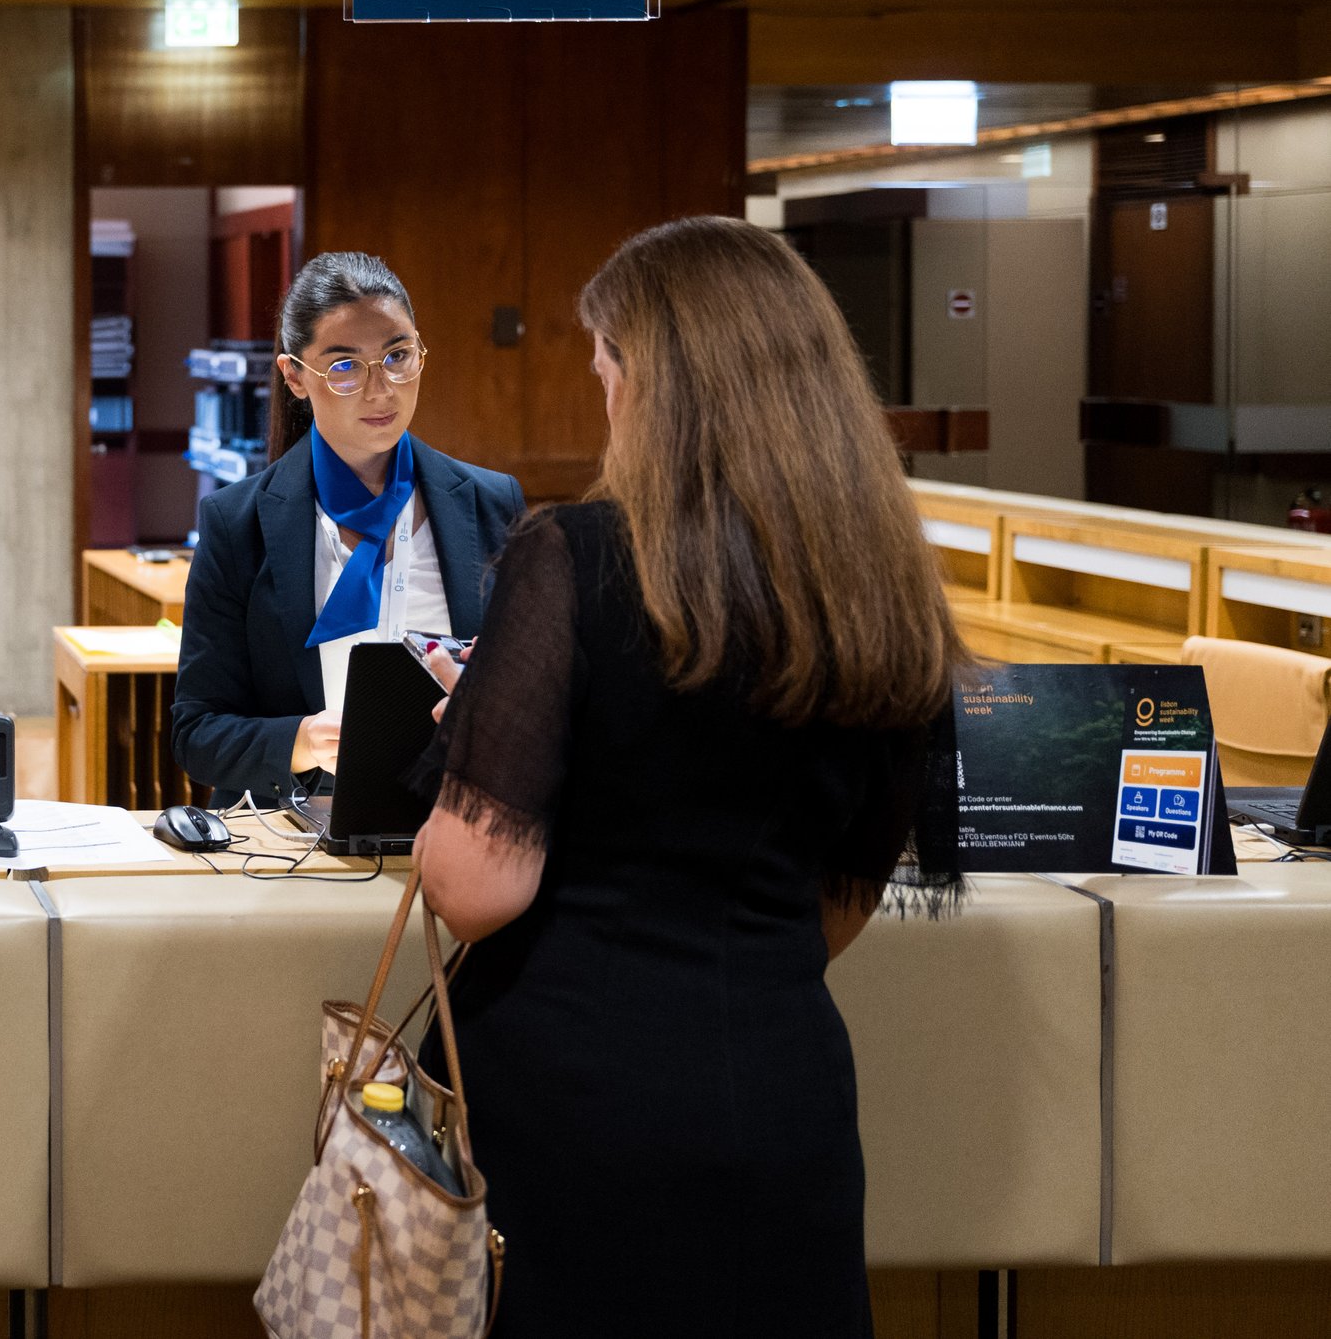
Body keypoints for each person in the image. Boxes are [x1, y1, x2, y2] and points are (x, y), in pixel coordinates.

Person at [412, 216, 963, 1338]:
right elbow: (841, 899)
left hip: (575, 1099)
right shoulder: (883, 587)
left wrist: (458, 748)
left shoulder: (577, 558)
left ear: (661, 384)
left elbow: (476, 887)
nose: (603, 395)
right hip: (784, 1092)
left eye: (609, 367)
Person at [172, 251, 525, 808]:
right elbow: (196, 733)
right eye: (344, 366)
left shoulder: (491, 502)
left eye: (397, 356)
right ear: (294, 377)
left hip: (450, 812)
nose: (380, 389)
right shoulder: (236, 523)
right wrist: (299, 742)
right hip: (290, 829)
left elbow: (535, 696)